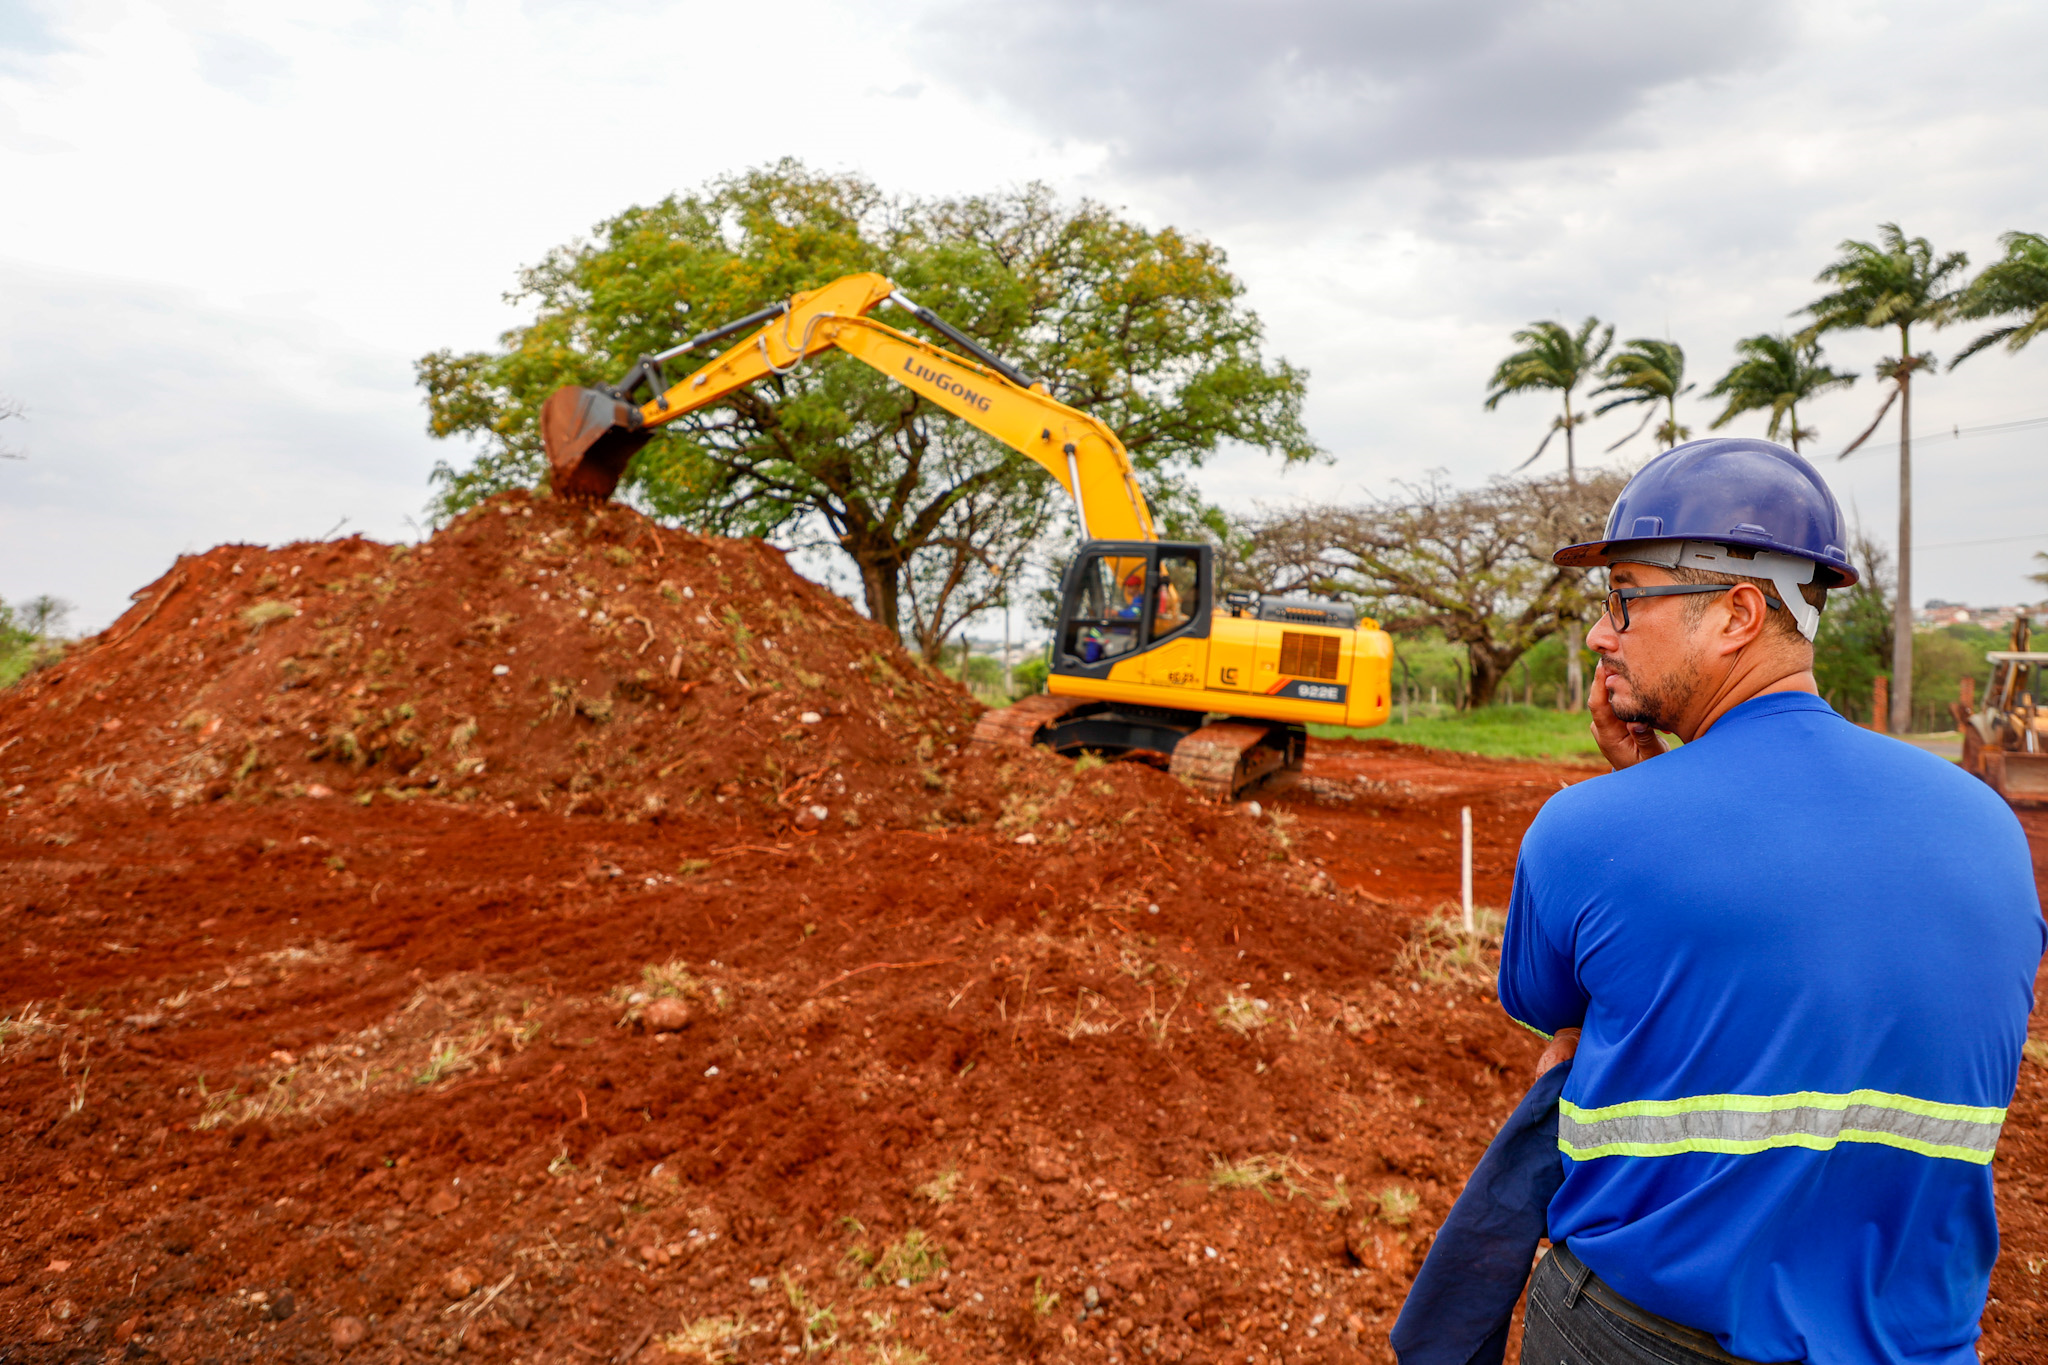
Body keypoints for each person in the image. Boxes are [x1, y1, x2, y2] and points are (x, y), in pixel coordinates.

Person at [1498, 437, 2044, 1365]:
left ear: (1738, 614)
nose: (1600, 634)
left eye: (1625, 596)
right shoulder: (1993, 828)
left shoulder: (1585, 832)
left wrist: (1637, 789)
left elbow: (1556, 1013)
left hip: (1642, 1337)